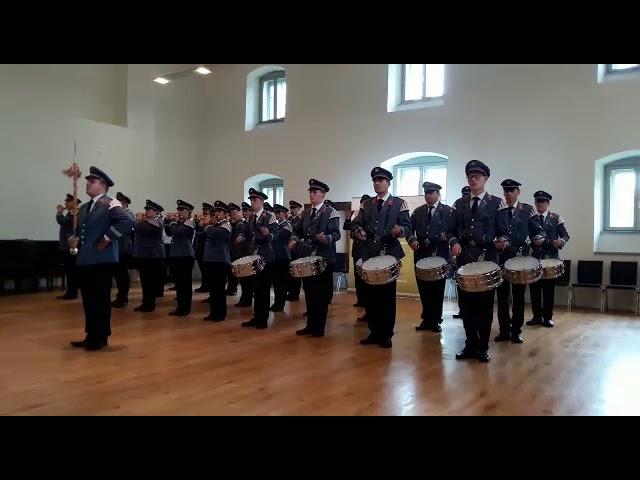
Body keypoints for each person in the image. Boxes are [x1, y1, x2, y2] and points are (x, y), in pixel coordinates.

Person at [68, 166, 133, 351]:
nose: (88, 184)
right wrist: (73, 243)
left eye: (92, 181)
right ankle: (91, 335)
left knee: (100, 300)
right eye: (88, 181)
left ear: (103, 185)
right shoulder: (84, 208)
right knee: (88, 301)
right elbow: (80, 232)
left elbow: (126, 221)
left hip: (103, 260)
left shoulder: (109, 203)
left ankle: (101, 337)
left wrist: (107, 237)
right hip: (86, 259)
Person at [450, 160, 504, 363]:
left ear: (486, 179)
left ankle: (483, 347)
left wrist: (502, 241)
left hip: (487, 259)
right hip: (464, 261)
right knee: (466, 305)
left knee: (485, 306)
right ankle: (470, 344)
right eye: (470, 176)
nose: (473, 179)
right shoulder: (460, 203)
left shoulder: (496, 203)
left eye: (477, 176)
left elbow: (504, 231)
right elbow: (451, 230)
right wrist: (454, 241)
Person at [351, 167, 411, 349]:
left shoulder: (399, 203)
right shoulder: (366, 204)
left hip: (389, 254)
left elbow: (407, 227)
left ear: (388, 183)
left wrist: (400, 230)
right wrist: (358, 231)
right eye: (375, 180)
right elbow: (356, 224)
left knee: (386, 296)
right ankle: (374, 332)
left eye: (381, 180)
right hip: (369, 253)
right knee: (370, 296)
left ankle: (386, 334)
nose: (377, 183)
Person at [289, 179, 341, 337]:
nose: (311, 194)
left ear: (323, 194)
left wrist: (326, 238)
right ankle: (310, 325)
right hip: (307, 258)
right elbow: (296, 231)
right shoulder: (305, 213)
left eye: (315, 192)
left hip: (324, 258)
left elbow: (336, 234)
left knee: (321, 294)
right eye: (310, 192)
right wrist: (293, 239)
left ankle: (319, 327)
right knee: (310, 293)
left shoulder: (330, 212)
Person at [494, 179, 543, 343]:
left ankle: (516, 330)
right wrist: (498, 240)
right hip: (501, 257)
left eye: (511, 191)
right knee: (501, 296)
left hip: (520, 258)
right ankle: (504, 330)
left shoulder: (527, 210)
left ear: (518, 192)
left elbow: (538, 231)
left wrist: (539, 238)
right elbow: (493, 231)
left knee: (518, 296)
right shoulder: (498, 210)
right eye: (506, 191)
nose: (508, 194)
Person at [408, 182, 456, 333]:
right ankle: (426, 319)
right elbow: (409, 229)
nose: (428, 195)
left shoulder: (448, 211)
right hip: (421, 253)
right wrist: (412, 240)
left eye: (431, 192)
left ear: (438, 194)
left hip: (439, 253)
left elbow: (454, 231)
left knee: (437, 289)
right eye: (426, 193)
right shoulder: (418, 212)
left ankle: (435, 320)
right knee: (423, 289)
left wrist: (446, 237)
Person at [528, 190, 570, 328]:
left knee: (548, 290)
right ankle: (536, 317)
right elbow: (528, 237)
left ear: (548, 203)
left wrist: (561, 242)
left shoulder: (555, 218)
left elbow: (565, 235)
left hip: (551, 260)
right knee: (534, 290)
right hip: (535, 259)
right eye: (537, 201)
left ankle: (547, 318)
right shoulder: (530, 219)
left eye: (543, 201)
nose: (540, 204)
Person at [241, 189, 277, 329]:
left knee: (263, 289)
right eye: (251, 200)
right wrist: (243, 236)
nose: (252, 203)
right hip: (254, 257)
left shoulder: (270, 216)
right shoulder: (251, 217)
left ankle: (263, 319)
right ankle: (257, 316)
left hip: (266, 257)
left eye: (255, 200)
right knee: (256, 288)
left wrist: (269, 234)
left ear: (262, 201)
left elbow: (276, 235)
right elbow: (248, 234)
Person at [200, 201, 232, 321]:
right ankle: (213, 312)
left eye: (219, 212)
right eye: (216, 212)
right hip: (210, 260)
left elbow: (214, 233)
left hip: (220, 260)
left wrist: (207, 225)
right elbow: (203, 233)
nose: (216, 214)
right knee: (212, 289)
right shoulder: (214, 225)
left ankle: (220, 314)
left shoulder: (226, 225)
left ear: (225, 214)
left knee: (219, 289)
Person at [133, 199, 166, 313]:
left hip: (152, 256)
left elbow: (139, 228)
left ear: (156, 212)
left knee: (149, 281)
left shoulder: (157, 221)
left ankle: (149, 304)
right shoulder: (147, 221)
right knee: (145, 281)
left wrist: (138, 220)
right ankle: (146, 301)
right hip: (145, 255)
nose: (146, 212)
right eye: (146, 209)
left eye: (149, 210)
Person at [165, 200, 196, 316]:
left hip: (186, 255)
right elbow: (169, 233)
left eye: (182, 210)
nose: (180, 212)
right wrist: (167, 221)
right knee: (179, 283)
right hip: (176, 254)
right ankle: (180, 307)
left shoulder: (190, 222)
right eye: (179, 210)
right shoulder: (179, 222)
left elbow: (177, 232)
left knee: (185, 283)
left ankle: (185, 308)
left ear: (189, 211)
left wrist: (172, 221)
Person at [344, 194, 371, 321]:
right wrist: (348, 218)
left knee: (367, 278)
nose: (363, 205)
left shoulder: (371, 215)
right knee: (358, 277)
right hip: (357, 251)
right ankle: (361, 300)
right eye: (362, 203)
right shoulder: (358, 216)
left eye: (366, 202)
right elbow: (348, 229)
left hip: (367, 251)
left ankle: (367, 303)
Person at [55, 193, 81, 300]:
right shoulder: (71, 213)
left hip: (71, 246)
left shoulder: (74, 213)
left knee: (71, 271)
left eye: (67, 201)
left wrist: (59, 213)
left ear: (73, 203)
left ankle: (72, 293)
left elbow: (63, 222)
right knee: (69, 270)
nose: (65, 203)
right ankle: (70, 292)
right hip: (67, 245)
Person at [111, 192, 135, 308]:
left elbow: (126, 228)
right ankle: (120, 296)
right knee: (118, 273)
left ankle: (122, 298)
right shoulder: (119, 214)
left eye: (119, 201)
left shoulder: (128, 214)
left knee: (121, 274)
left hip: (124, 248)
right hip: (118, 248)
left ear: (124, 203)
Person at [451, 186, 471, 319]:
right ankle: (462, 310)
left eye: (467, 194)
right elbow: (452, 226)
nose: (466, 196)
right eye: (464, 194)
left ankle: (471, 311)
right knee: (461, 282)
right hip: (461, 249)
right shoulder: (457, 204)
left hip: (475, 250)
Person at [270, 204, 293, 312]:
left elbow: (279, 236)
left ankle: (280, 304)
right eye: (276, 213)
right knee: (276, 282)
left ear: (285, 213)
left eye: (279, 213)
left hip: (283, 256)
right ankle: (277, 302)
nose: (277, 215)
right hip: (275, 256)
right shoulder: (277, 225)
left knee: (281, 283)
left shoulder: (287, 225)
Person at [286, 200, 304, 302]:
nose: (292, 210)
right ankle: (290, 291)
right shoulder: (288, 219)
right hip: (288, 249)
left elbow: (298, 232)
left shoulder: (301, 220)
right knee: (290, 272)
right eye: (291, 208)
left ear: (298, 209)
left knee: (296, 271)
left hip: (297, 248)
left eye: (294, 208)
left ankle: (295, 293)